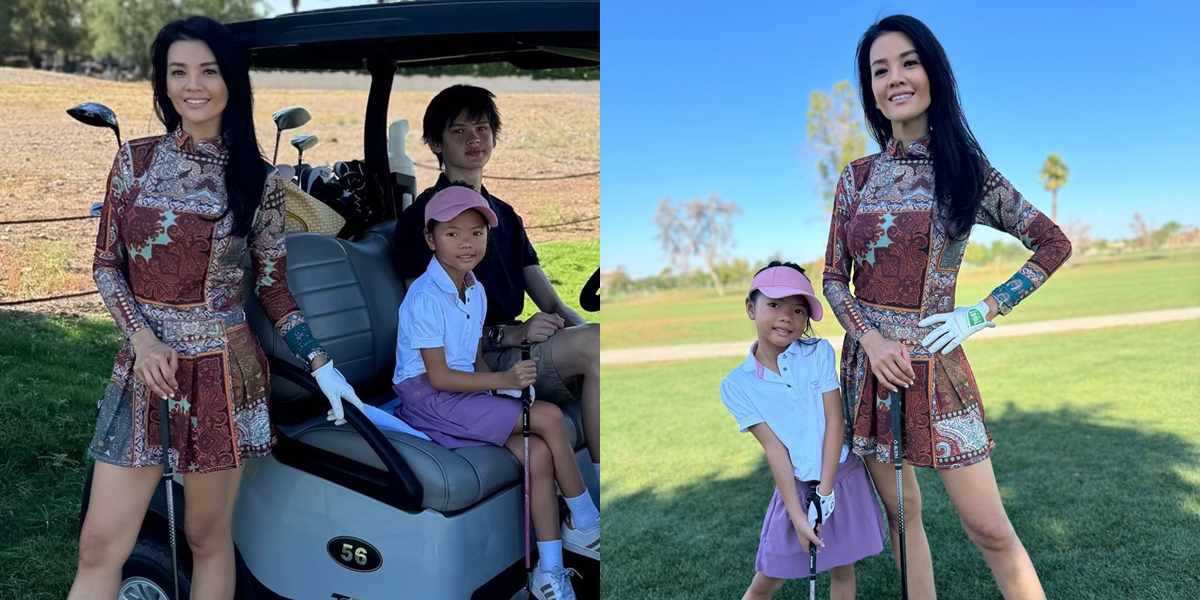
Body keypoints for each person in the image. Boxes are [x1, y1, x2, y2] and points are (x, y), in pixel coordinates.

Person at [71, 17, 362, 600]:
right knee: (100, 546)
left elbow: (274, 291)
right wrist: (143, 340)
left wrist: (322, 364)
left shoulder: (260, 182)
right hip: (144, 371)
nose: (193, 85)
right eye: (178, 72)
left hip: (223, 379)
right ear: (164, 83)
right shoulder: (134, 161)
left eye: (208, 70)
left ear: (232, 79)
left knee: (208, 540)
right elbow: (107, 263)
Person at [822, 14, 1072, 599]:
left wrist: (981, 312)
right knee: (903, 521)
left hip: (941, 375)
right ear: (872, 90)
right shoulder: (855, 179)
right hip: (871, 374)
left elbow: (1053, 243)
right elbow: (834, 278)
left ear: (933, 71)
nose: (895, 79)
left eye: (908, 62)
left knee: (989, 529)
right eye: (879, 71)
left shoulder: (967, 172)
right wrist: (873, 341)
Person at [393, 185, 600, 600]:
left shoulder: (475, 288)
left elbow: (475, 360)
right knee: (549, 417)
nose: (466, 243)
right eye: (452, 234)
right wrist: (504, 384)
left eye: (476, 233)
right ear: (431, 240)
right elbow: (439, 377)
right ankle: (585, 520)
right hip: (428, 400)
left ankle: (550, 573)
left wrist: (500, 393)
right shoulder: (424, 297)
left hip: (463, 390)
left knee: (539, 454)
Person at [392, 85, 600, 486]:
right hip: (475, 362)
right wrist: (512, 333)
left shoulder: (504, 215)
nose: (475, 139)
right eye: (460, 131)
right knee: (594, 347)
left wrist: (583, 327)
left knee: (598, 341)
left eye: (483, 129)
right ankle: (598, 491)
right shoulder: (421, 222)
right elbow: (435, 328)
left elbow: (552, 301)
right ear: (436, 142)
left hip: (519, 346)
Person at [720, 262, 886, 600]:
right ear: (751, 308)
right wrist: (798, 516)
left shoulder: (817, 352)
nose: (786, 316)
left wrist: (825, 494)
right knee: (768, 576)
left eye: (798, 309)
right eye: (774, 305)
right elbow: (774, 448)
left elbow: (835, 422)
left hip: (841, 477)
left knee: (842, 568)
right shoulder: (736, 385)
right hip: (795, 489)